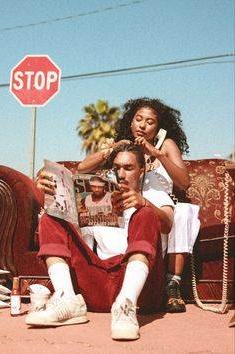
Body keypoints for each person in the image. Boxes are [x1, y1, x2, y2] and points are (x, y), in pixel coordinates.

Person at [26, 144, 174, 341]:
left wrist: (143, 202)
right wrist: (49, 195)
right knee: (50, 218)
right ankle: (66, 298)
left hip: (141, 291)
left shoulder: (154, 194)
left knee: (145, 214)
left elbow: (168, 224)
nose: (121, 174)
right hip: (99, 283)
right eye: (116, 168)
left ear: (141, 171)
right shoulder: (98, 196)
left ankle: (126, 304)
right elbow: (67, 234)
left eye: (128, 168)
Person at [77, 97, 200, 313]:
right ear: (131, 122)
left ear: (159, 127)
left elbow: (184, 182)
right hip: (126, 206)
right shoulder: (125, 150)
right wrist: (113, 150)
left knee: (182, 211)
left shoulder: (166, 145)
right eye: (138, 119)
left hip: (159, 206)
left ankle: (173, 283)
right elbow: (82, 168)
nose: (142, 125)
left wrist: (156, 153)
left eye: (150, 122)